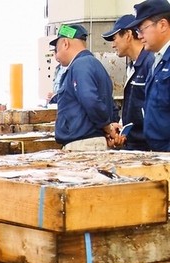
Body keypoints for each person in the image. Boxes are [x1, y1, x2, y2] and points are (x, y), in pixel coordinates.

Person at [49, 24, 120, 150]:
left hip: (84, 144)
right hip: (90, 142)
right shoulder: (92, 64)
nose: (56, 56)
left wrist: (107, 127)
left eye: (56, 49)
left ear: (65, 43)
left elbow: (90, 100)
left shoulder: (80, 65)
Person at [102, 14, 154, 150]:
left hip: (148, 145)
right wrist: (123, 128)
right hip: (134, 143)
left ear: (128, 35)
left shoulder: (150, 63)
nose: (113, 45)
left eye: (115, 38)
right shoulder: (132, 66)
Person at [125, 0, 170, 151]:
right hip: (158, 151)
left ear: (162, 25)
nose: (139, 36)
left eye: (142, 29)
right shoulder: (157, 60)